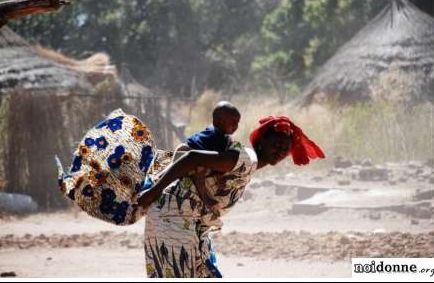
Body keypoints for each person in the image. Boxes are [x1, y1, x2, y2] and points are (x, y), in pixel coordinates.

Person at [137, 115, 325, 278]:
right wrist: (154, 192)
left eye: (285, 148)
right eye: (276, 144)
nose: (281, 150)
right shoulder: (245, 159)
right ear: (261, 141)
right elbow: (192, 157)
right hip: (174, 219)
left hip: (188, 223)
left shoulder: (249, 164)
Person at [175, 101, 241, 211]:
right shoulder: (218, 137)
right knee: (201, 168)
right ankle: (205, 198)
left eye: (238, 122)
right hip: (186, 154)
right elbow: (211, 158)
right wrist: (220, 174)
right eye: (233, 122)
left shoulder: (220, 135)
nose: (236, 126)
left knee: (203, 164)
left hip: (187, 152)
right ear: (219, 122)